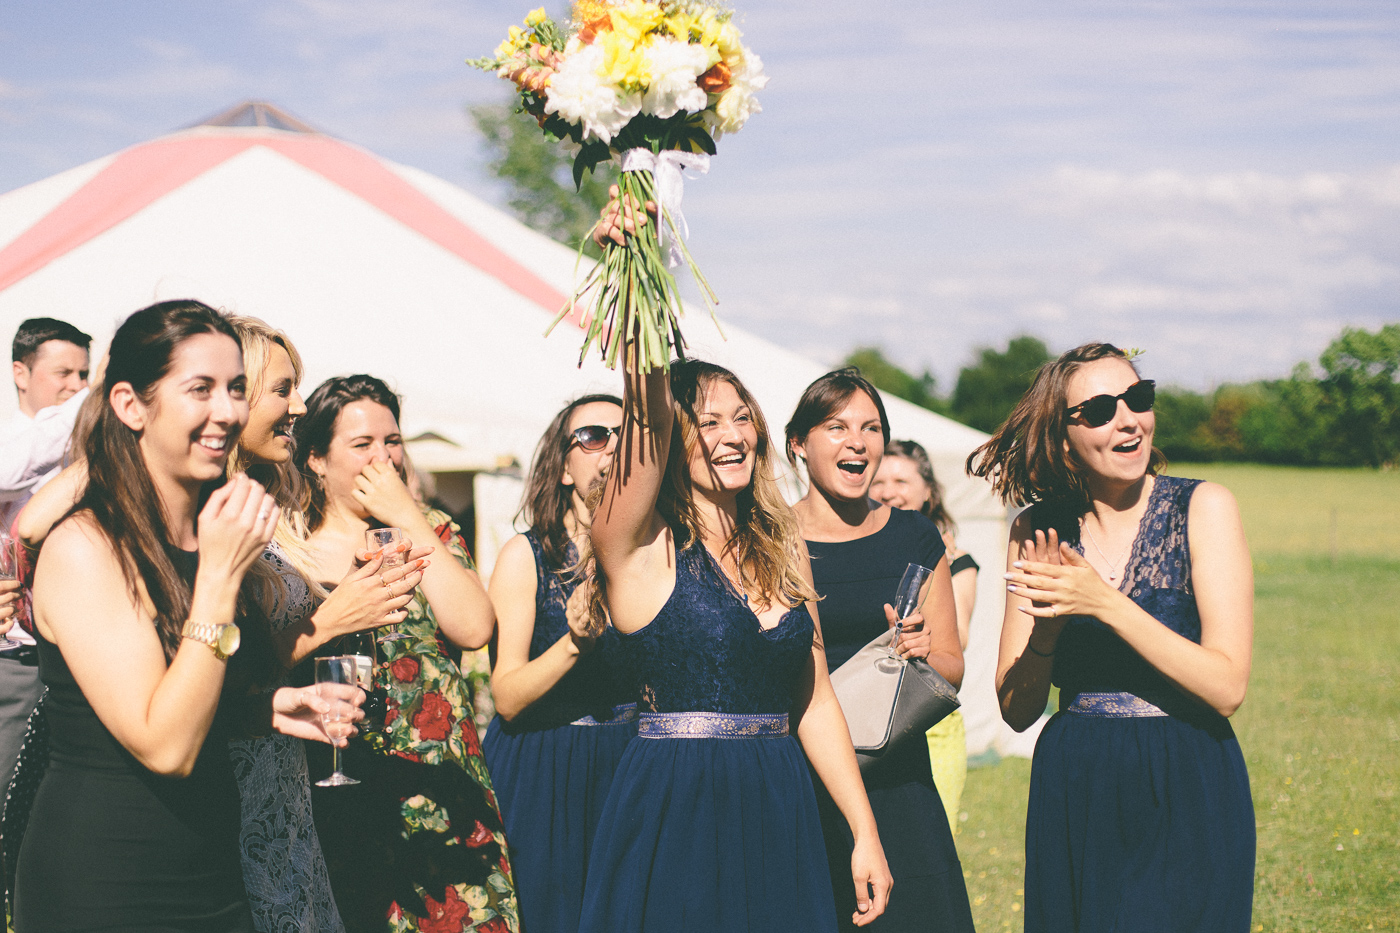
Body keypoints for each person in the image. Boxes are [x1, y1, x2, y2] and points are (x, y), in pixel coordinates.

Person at [12, 300, 362, 932]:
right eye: (199, 389)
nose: (226, 411)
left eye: (234, 389)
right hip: (105, 884)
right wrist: (222, 579)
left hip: (212, 874)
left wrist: (264, 711)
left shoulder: (208, 535)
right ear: (130, 405)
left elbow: (185, 702)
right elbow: (164, 744)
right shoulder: (86, 548)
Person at [578, 356, 892, 933]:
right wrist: (639, 293)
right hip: (678, 800)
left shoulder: (783, 547)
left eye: (742, 418)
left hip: (778, 794)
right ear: (674, 436)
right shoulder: (640, 549)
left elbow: (816, 699)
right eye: (709, 422)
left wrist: (863, 830)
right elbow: (646, 418)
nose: (733, 436)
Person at [968, 342, 1255, 932]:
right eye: (1099, 410)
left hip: (1187, 773)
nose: (1127, 419)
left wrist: (1105, 604)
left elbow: (1227, 686)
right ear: (1062, 436)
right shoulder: (1035, 528)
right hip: (1078, 783)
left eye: (1138, 398)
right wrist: (1045, 634)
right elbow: (1017, 712)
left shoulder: (1202, 508)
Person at [223, 317, 428, 933]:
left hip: (285, 774)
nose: (299, 406)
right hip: (230, 776)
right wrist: (331, 619)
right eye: (283, 389)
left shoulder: (262, 501)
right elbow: (219, 670)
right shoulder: (214, 512)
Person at [293, 374, 518, 933]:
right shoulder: (290, 549)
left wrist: (409, 517)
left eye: (392, 441)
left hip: (438, 780)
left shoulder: (431, 529)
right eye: (362, 444)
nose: (383, 457)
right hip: (334, 778)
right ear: (317, 459)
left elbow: (473, 628)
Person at [785, 370, 975, 933]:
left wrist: (920, 654)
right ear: (799, 443)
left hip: (898, 785)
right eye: (837, 426)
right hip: (800, 784)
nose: (857, 441)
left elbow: (951, 668)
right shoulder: (766, 535)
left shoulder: (915, 535)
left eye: (871, 428)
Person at [482, 393, 638, 933]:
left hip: (628, 762)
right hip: (545, 765)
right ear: (564, 467)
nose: (613, 447)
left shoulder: (659, 556)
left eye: (627, 435)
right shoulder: (526, 556)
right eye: (594, 436)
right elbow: (505, 695)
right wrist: (574, 644)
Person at [0, 318, 91, 815]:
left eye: (85, 375)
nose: (76, 386)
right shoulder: (13, 444)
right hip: (19, 661)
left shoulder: (86, 452)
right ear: (20, 372)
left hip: (81, 657)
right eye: (64, 373)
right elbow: (10, 470)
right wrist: (89, 403)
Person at [870, 439, 976, 833]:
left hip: (930, 721)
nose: (888, 490)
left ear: (927, 491)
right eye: (879, 480)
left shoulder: (955, 560)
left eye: (901, 480)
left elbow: (958, 637)